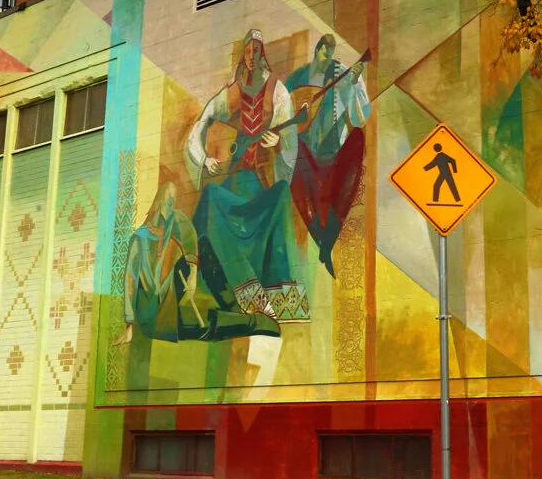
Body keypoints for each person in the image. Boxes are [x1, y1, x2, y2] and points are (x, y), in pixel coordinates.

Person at [186, 30, 301, 323]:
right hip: (236, 178)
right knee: (211, 200)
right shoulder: (234, 90)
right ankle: (231, 289)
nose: (251, 57)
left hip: (262, 179)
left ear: (262, 53)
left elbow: (288, 131)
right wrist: (204, 159)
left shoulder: (277, 90)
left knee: (279, 201)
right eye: (247, 51)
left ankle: (278, 300)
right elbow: (203, 121)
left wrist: (279, 143)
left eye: (256, 51)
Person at [118, 178, 277, 344]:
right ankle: (255, 324)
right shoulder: (139, 239)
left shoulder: (173, 220)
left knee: (203, 245)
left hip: (168, 290)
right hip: (155, 314)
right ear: (158, 201)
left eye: (174, 198)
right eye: (168, 198)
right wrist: (129, 325)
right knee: (204, 323)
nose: (171, 203)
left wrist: (193, 273)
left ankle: (233, 306)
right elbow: (130, 282)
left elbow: (190, 236)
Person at [285, 35, 371, 277]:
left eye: (330, 51)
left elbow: (361, 117)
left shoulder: (343, 72)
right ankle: (324, 247)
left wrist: (353, 84)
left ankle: (326, 247)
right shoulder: (298, 77)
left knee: (338, 199)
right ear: (316, 50)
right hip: (306, 148)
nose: (326, 54)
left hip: (333, 148)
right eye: (323, 50)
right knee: (306, 198)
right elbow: (282, 107)